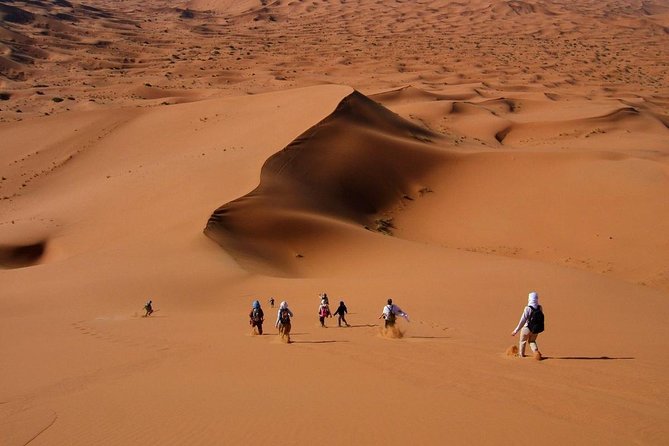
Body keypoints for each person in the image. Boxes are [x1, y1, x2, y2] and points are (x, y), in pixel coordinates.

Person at [511, 291, 544, 359]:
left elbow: (522, 321)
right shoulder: (540, 307)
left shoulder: (528, 308)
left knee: (522, 341)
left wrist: (515, 331)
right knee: (532, 341)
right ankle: (536, 352)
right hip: (535, 329)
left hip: (527, 328)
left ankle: (521, 355)